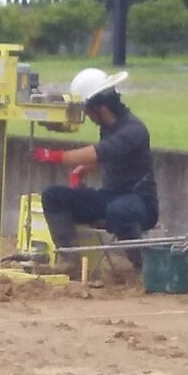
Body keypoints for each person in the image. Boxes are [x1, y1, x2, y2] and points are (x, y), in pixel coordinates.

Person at [31, 67, 159, 276]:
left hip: (140, 202)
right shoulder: (109, 127)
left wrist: (55, 156)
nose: (86, 115)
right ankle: (69, 260)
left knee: (118, 211)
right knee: (53, 196)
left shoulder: (133, 129)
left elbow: (100, 152)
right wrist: (85, 168)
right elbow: (112, 156)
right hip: (110, 197)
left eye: (86, 110)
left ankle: (144, 267)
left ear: (99, 107)